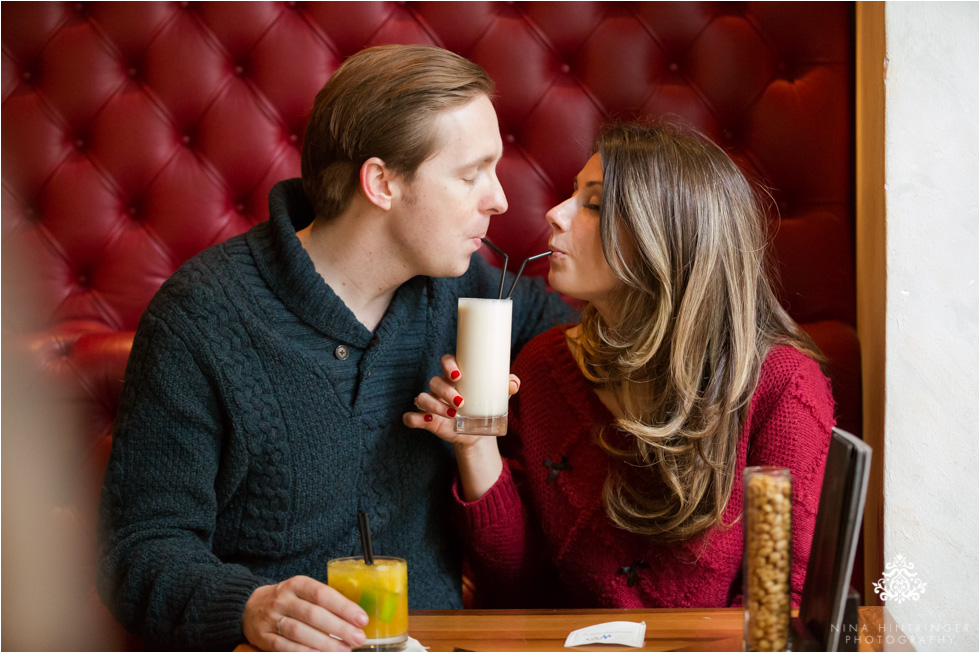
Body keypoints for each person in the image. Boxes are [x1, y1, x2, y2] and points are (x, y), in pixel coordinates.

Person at [97, 44, 576, 651]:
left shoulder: (462, 287)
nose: (500, 199)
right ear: (380, 183)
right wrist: (248, 606)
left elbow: (582, 344)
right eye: (470, 173)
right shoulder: (201, 317)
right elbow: (138, 550)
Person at [406, 122, 835, 609]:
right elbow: (518, 590)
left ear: (668, 238)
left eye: (593, 204)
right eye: (573, 194)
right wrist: (477, 444)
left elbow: (781, 608)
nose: (555, 213)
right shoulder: (545, 368)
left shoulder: (781, 387)